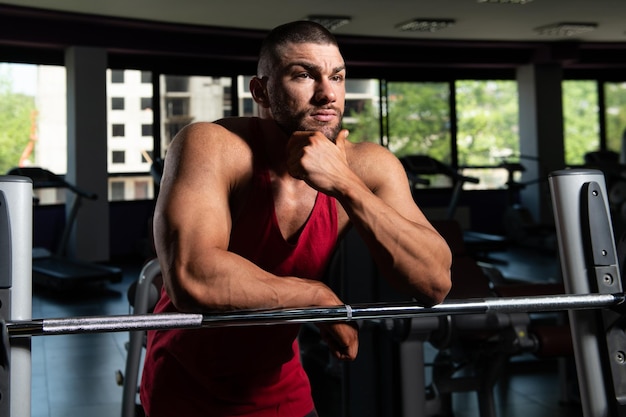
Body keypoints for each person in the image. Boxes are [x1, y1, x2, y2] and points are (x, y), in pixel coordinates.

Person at [140, 20, 452, 417]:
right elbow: (193, 276)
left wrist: (346, 185)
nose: (327, 93)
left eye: (337, 76)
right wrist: (318, 299)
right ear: (261, 91)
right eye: (303, 75)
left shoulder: (368, 165)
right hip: (186, 386)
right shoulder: (211, 145)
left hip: (281, 385)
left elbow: (434, 282)